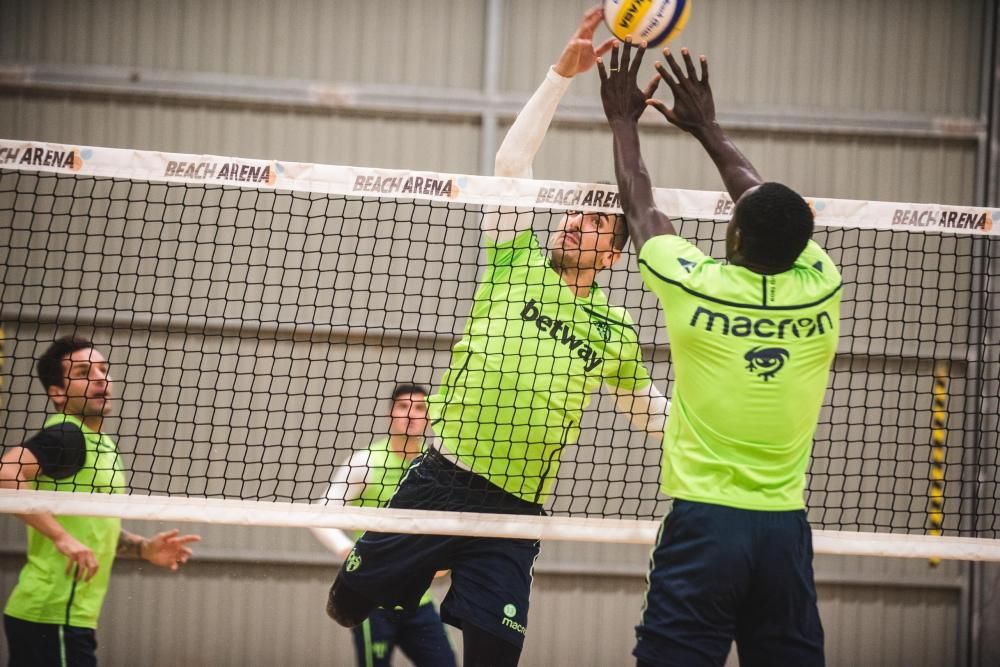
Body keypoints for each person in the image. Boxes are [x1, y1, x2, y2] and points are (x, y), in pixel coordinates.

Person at [326, 7, 669, 667]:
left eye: (597, 222)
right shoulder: (516, 259)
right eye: (576, 212)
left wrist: (712, 436)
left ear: (614, 256)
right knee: (345, 604)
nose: (576, 222)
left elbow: (648, 408)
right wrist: (558, 76)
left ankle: (450, 581)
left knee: (494, 656)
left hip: (513, 510)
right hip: (439, 479)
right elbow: (512, 164)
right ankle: (407, 572)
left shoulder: (614, 331)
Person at [597, 39, 841, 667]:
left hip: (706, 527)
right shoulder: (821, 286)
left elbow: (640, 204)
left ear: (732, 233)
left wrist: (624, 120)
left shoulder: (692, 283)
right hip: (785, 529)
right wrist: (711, 130)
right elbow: (766, 203)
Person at [0, 336, 201, 666]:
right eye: (83, 371)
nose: (99, 378)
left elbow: (91, 527)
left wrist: (143, 548)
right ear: (58, 393)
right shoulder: (67, 435)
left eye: (103, 369)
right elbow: (7, 475)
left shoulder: (103, 445)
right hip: (51, 616)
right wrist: (61, 538)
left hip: (66, 619)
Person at [311, 384, 456, 667]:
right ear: (390, 414)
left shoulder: (438, 468)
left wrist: (444, 560)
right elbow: (320, 515)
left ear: (429, 418)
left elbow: (450, 525)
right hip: (371, 600)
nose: (411, 415)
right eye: (403, 407)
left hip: (418, 602)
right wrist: (349, 552)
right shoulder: (366, 462)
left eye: (420, 408)